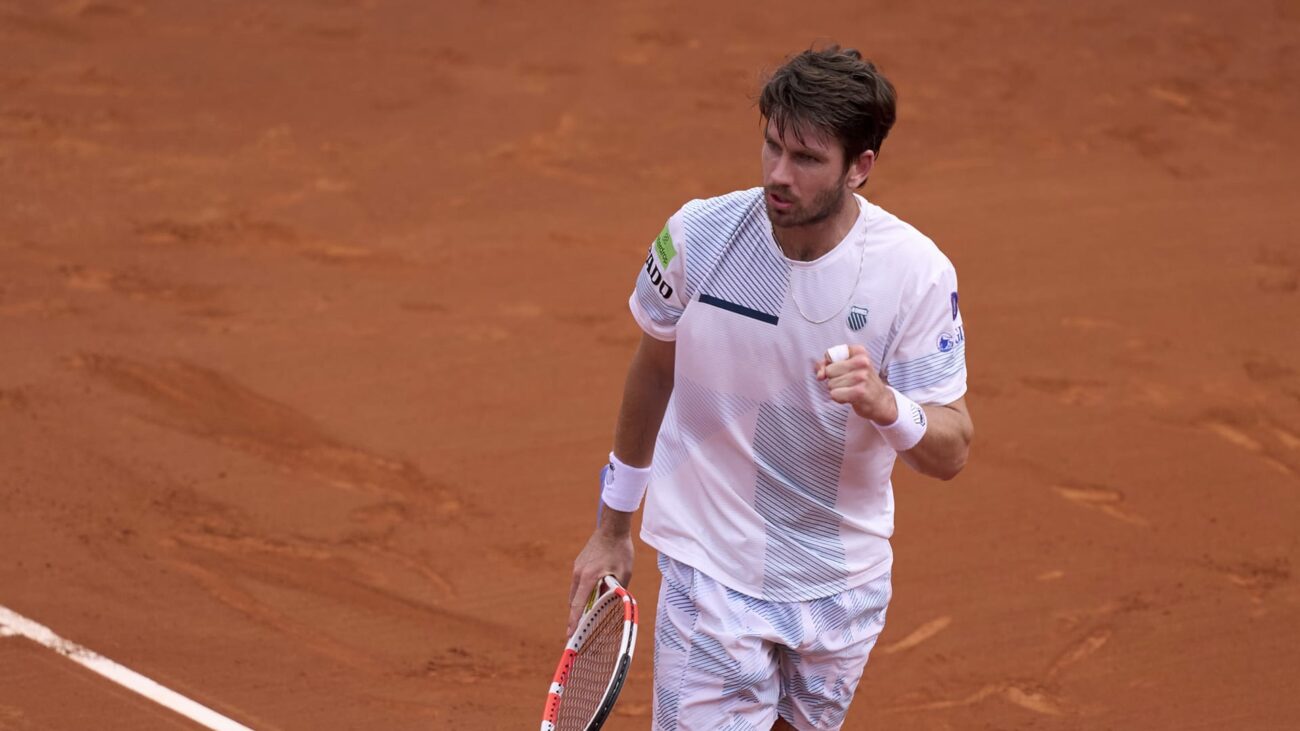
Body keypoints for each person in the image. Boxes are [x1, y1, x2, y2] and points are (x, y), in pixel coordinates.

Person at [567, 45, 974, 731]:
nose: (778, 176)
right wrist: (613, 526)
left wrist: (887, 404)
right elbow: (652, 371)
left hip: (842, 586)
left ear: (860, 167)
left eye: (807, 159)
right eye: (772, 147)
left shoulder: (915, 274)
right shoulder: (699, 238)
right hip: (712, 571)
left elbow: (952, 447)